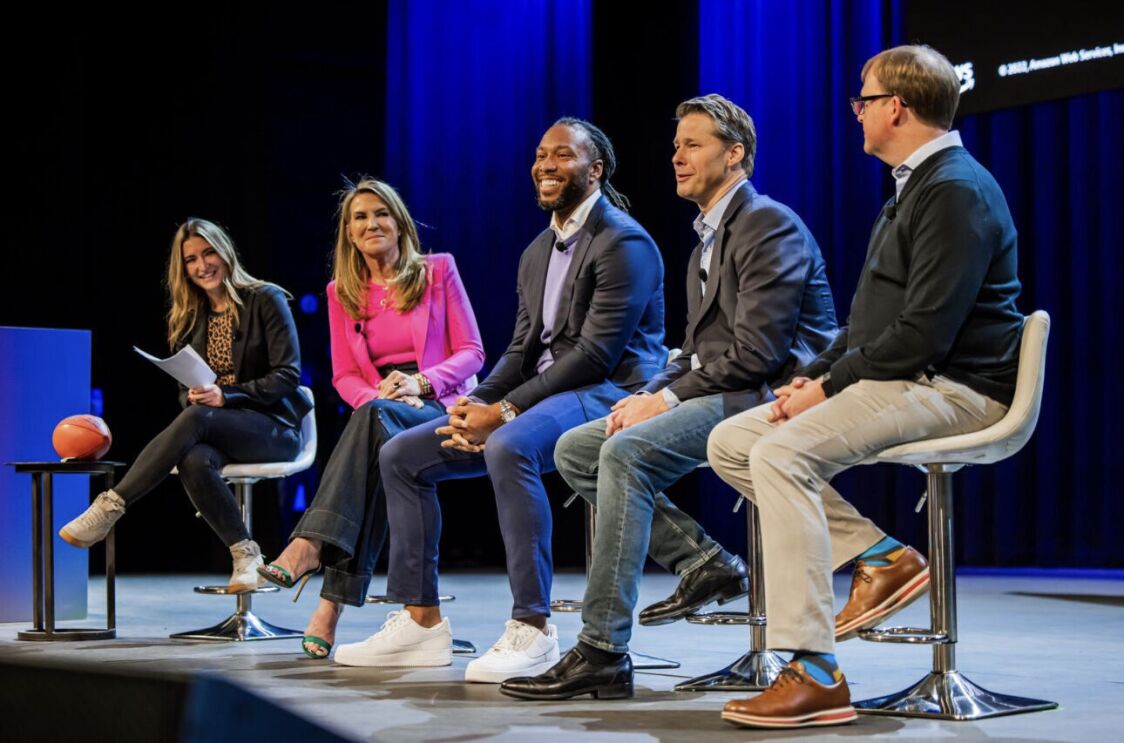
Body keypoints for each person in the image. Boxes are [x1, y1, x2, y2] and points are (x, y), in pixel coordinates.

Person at [707, 44, 1023, 729]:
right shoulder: (916, 186)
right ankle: (881, 555)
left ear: (897, 108)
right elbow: (867, 325)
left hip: (958, 387)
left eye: (864, 99)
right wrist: (815, 377)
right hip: (909, 374)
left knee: (782, 452)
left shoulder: (955, 190)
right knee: (734, 439)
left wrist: (825, 393)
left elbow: (923, 336)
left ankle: (815, 670)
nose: (856, 113)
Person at [500, 94, 838, 701]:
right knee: (582, 447)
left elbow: (758, 357)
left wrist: (665, 401)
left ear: (735, 155)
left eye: (693, 144)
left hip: (771, 396)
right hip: (728, 388)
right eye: (676, 145)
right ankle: (702, 561)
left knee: (624, 453)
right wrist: (652, 392)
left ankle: (602, 649)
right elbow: (691, 352)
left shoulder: (767, 222)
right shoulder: (706, 238)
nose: (676, 157)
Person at [331, 118, 666, 684]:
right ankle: (420, 620)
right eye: (540, 155)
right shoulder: (537, 251)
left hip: (608, 391)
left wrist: (502, 414)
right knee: (402, 455)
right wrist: (474, 403)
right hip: (540, 394)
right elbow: (518, 351)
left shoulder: (624, 240)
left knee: (507, 446)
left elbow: (592, 356)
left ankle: (533, 628)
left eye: (562, 155)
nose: (545, 165)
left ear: (596, 169)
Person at [256, 179, 485, 658]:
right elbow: (343, 376)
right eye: (360, 217)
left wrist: (419, 384)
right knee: (379, 438)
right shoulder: (341, 292)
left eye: (381, 213)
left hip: (440, 405)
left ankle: (312, 552)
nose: (371, 223)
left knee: (377, 426)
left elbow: (472, 352)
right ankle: (327, 602)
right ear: (349, 234)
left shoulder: (438, 270)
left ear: (400, 224)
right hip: (380, 412)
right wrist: (380, 395)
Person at [59, 218, 312, 594]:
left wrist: (226, 396)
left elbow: (287, 375)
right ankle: (246, 555)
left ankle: (110, 507)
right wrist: (195, 395)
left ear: (225, 253)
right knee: (193, 458)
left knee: (196, 419)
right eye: (191, 259)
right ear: (183, 268)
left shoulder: (265, 299)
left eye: (209, 253)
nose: (202, 265)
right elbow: (185, 389)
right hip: (219, 426)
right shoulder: (191, 317)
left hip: (273, 428)